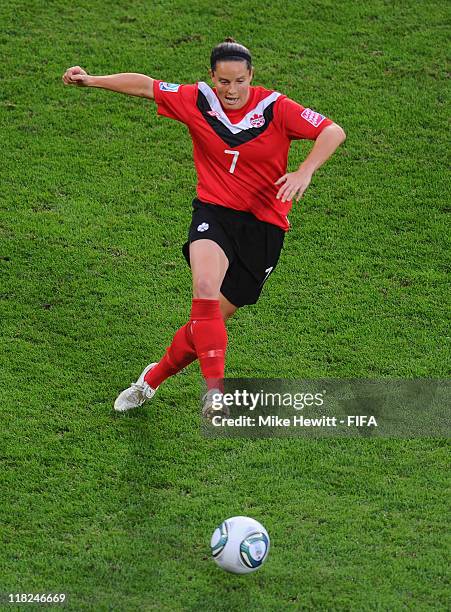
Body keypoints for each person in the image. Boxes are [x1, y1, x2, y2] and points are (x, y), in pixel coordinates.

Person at [62, 38, 346, 418]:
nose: (231, 91)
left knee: (206, 324)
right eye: (224, 82)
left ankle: (151, 379)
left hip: (264, 228)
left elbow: (332, 131)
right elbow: (147, 86)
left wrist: (304, 170)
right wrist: (92, 80)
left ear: (251, 77)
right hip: (214, 212)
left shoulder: (275, 107)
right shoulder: (198, 100)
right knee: (204, 290)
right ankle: (215, 393)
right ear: (212, 77)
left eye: (239, 82)